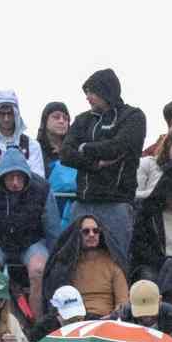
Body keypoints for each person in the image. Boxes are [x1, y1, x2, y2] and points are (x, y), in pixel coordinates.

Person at [60, 70, 146, 259]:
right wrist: (95, 164)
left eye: (92, 92)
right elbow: (65, 153)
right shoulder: (83, 119)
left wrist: (82, 147)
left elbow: (119, 147)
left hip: (116, 204)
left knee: (117, 259)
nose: (88, 98)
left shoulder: (133, 116)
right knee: (75, 259)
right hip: (83, 203)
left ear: (106, 92)